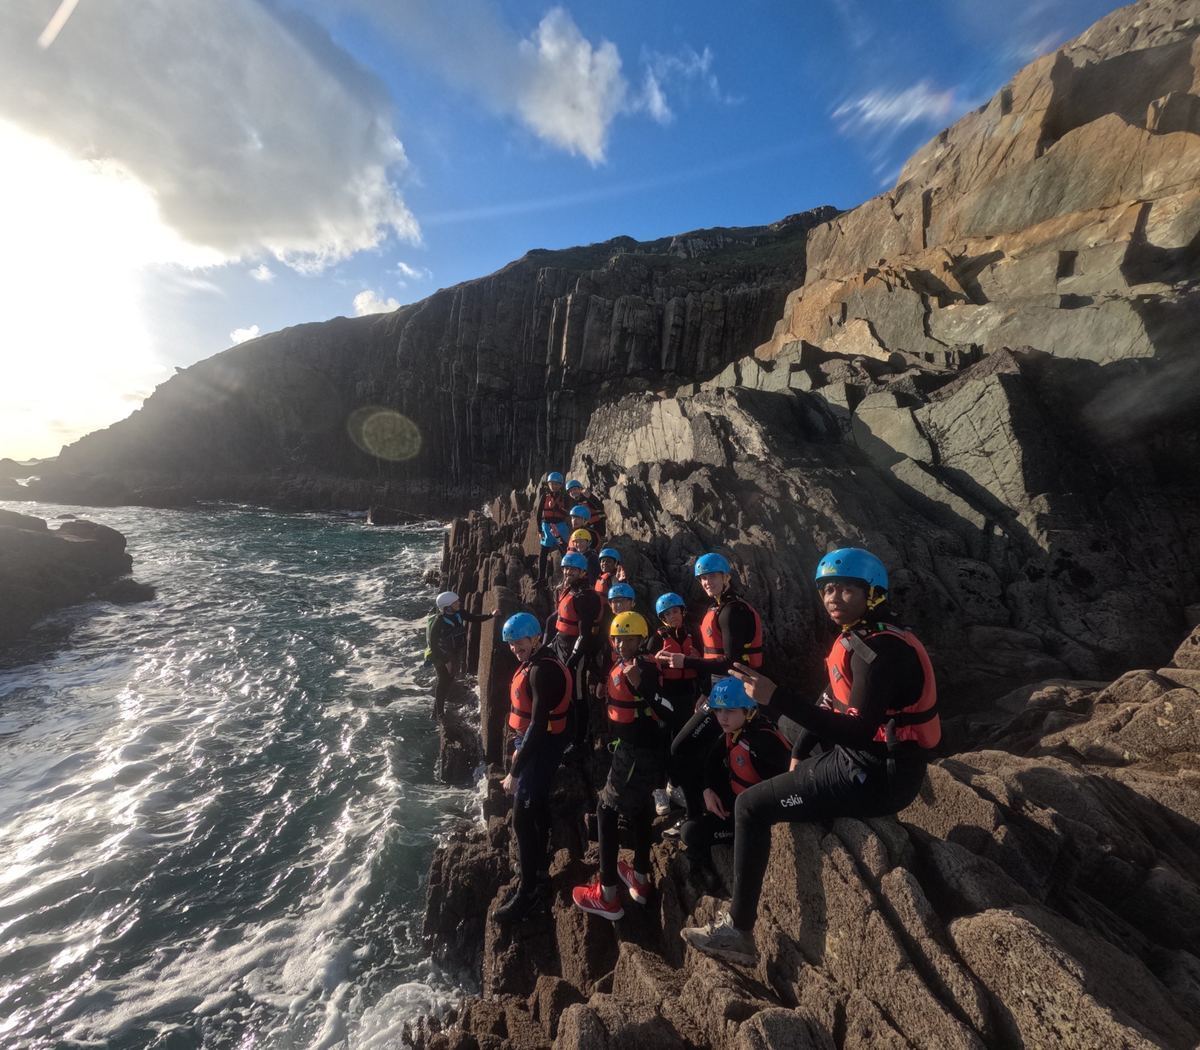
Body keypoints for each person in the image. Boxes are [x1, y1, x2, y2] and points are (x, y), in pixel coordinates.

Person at [680, 548, 940, 965]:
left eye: (847, 589)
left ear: (872, 593)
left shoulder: (881, 653)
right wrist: (799, 754)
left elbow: (855, 728)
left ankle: (739, 931)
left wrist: (774, 697)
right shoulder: (865, 637)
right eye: (828, 589)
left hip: (876, 776)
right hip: (863, 761)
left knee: (749, 805)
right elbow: (829, 703)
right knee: (783, 776)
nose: (834, 598)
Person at [571, 612, 672, 920]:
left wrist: (641, 686)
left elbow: (667, 709)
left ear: (641, 640)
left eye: (628, 638)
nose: (621, 644)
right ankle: (640, 881)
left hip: (638, 753)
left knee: (606, 810)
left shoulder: (643, 669)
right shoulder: (625, 665)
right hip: (632, 750)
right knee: (639, 809)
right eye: (617, 638)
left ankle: (607, 895)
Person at [660, 553, 767, 824]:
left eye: (712, 576)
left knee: (681, 747)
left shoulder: (733, 611)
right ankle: (705, 807)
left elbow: (729, 660)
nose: (707, 582)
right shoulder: (717, 609)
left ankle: (697, 814)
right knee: (696, 748)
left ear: (726, 577)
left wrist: (685, 661)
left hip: (738, 695)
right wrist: (706, 692)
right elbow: (715, 659)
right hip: (721, 692)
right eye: (703, 577)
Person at [495, 612, 573, 923]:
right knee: (536, 806)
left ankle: (528, 893)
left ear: (536, 639)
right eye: (512, 644)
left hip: (539, 748)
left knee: (521, 820)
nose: (515, 648)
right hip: (535, 745)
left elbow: (539, 726)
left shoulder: (543, 671)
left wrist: (516, 769)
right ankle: (539, 866)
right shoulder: (538, 660)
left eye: (520, 642)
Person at [679, 677, 790, 893]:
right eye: (718, 711)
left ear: (747, 710)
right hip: (736, 803)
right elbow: (711, 760)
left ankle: (707, 873)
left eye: (729, 711)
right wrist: (707, 790)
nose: (722, 718)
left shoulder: (764, 742)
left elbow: (790, 776)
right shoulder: (735, 732)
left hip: (755, 819)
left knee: (691, 833)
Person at [647, 592, 701, 817]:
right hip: (667, 695)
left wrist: (699, 659)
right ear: (662, 618)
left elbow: (706, 663)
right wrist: (655, 659)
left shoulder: (693, 634)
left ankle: (675, 783)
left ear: (682, 611)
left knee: (684, 741)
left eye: (675, 611)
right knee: (663, 741)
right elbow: (644, 659)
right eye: (667, 614)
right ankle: (660, 789)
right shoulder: (658, 638)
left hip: (689, 693)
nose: (672, 616)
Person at [546, 551, 602, 753]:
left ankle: (580, 740)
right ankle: (565, 729)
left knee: (578, 695)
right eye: (566, 568)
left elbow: (585, 634)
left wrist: (573, 659)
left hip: (576, 650)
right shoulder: (568, 590)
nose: (568, 572)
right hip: (561, 644)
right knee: (562, 691)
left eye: (572, 569)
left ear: (582, 571)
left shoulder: (585, 596)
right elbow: (556, 619)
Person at [425, 591, 497, 720]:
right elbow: (433, 645)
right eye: (455, 602)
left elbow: (473, 618)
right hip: (440, 655)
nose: (459, 603)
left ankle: (437, 710)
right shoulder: (439, 622)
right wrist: (446, 661)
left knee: (449, 680)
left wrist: (490, 615)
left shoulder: (459, 613)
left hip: (452, 652)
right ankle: (437, 713)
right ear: (447, 607)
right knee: (443, 681)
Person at [536, 472, 569, 583]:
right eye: (551, 483)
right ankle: (541, 578)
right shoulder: (545, 496)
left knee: (564, 550)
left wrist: (556, 508)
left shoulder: (564, 497)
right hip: (547, 527)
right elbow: (539, 513)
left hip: (560, 527)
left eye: (556, 484)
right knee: (543, 552)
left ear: (560, 485)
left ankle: (567, 578)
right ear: (548, 484)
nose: (554, 486)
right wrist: (539, 530)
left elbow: (567, 513)